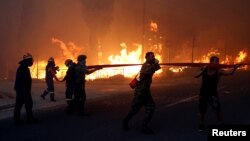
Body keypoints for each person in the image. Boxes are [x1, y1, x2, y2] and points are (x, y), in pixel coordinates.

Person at [195, 56, 239, 131]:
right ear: (211, 62)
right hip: (203, 93)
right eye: (215, 61)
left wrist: (234, 68)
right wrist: (202, 69)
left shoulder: (219, 71)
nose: (217, 63)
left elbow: (230, 73)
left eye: (217, 61)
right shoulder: (205, 69)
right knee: (202, 111)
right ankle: (201, 124)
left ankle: (221, 123)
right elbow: (196, 75)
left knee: (217, 110)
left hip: (213, 94)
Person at [123, 52, 161, 134]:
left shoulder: (150, 65)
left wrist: (156, 62)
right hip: (140, 92)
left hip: (146, 92)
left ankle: (144, 126)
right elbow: (149, 71)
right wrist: (155, 63)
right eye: (151, 57)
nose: (153, 58)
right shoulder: (145, 66)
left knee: (151, 107)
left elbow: (157, 68)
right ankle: (125, 121)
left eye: (153, 57)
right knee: (135, 109)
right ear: (146, 58)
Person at [14, 53, 38, 125]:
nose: (32, 62)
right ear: (28, 60)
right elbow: (22, 80)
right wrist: (25, 90)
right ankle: (28, 119)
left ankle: (18, 120)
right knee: (26, 103)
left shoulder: (23, 67)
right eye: (31, 60)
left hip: (22, 89)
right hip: (23, 90)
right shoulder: (23, 68)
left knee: (22, 104)